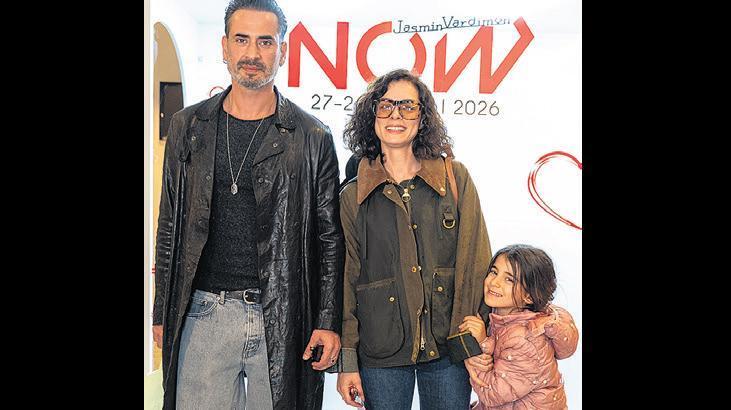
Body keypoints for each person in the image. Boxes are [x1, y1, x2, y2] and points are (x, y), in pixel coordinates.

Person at [151, 1, 344, 408]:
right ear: (225, 47)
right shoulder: (188, 126)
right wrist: (162, 310)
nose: (252, 53)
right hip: (203, 314)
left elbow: (330, 239)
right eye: (242, 40)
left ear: (282, 51)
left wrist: (328, 320)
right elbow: (169, 226)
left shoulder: (312, 137)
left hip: (283, 316)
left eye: (265, 42)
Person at [335, 68, 492, 409]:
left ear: (422, 118)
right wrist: (347, 360)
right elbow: (346, 281)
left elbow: (475, 259)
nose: (396, 115)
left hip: (448, 347)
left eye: (407, 106)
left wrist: (472, 336)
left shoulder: (455, 178)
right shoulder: (352, 196)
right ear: (372, 115)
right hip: (380, 351)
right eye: (386, 105)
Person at [459, 244, 579, 409]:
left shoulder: (526, 340)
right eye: (494, 272)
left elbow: (492, 392)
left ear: (529, 296)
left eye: (509, 279)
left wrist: (479, 347)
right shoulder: (505, 320)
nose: (494, 282)